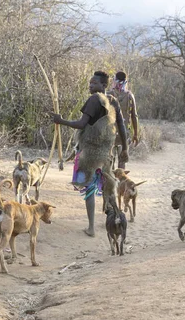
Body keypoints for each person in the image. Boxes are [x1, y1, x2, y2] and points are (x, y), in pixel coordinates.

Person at [50, 71, 129, 237]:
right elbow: (121, 126)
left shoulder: (94, 99)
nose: (90, 86)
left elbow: (81, 124)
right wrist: (125, 148)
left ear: (103, 85)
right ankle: (116, 220)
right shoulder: (113, 101)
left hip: (89, 153)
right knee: (108, 185)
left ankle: (91, 227)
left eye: (94, 84)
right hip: (106, 153)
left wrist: (60, 120)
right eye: (90, 83)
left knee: (89, 188)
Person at [108, 71, 139, 168]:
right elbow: (134, 116)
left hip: (110, 133)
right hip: (124, 134)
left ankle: (111, 182)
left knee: (109, 163)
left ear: (114, 80)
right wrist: (135, 134)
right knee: (122, 163)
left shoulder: (109, 95)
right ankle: (121, 182)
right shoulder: (130, 96)